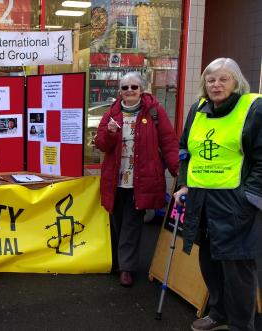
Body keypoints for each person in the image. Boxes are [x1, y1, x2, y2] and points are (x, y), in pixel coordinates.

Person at [173, 58, 261, 331]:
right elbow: (185, 149)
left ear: (236, 82)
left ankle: (240, 325)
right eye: (210, 80)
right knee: (209, 261)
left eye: (223, 79)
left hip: (235, 202)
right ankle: (218, 313)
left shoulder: (252, 109)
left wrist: (251, 195)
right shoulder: (197, 109)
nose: (216, 85)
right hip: (201, 200)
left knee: (237, 268)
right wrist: (184, 184)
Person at [95, 72, 178, 287]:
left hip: (141, 180)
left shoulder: (154, 111)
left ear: (141, 89)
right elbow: (101, 144)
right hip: (115, 180)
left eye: (134, 87)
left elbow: (168, 141)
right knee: (117, 222)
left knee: (132, 224)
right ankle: (117, 261)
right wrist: (111, 133)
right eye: (125, 87)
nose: (129, 91)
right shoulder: (112, 113)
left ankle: (126, 268)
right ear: (120, 92)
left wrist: (179, 171)